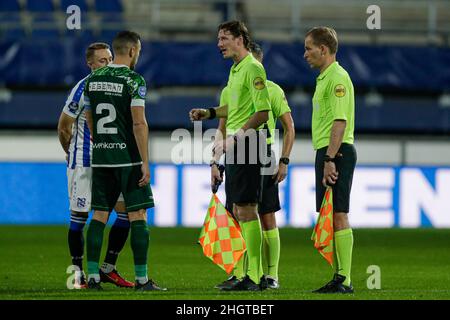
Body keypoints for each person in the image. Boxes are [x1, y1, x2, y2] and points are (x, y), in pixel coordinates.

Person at [189, 21, 271, 291]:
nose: (219, 43)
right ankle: (245, 274)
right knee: (237, 209)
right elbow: (234, 108)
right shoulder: (236, 70)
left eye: (224, 38)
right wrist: (210, 113)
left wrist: (236, 136)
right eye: (218, 38)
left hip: (248, 143)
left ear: (240, 39)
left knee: (247, 209)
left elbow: (262, 112)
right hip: (237, 145)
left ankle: (256, 276)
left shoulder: (253, 68)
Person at [83, 31, 166, 291]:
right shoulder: (134, 81)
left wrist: (100, 141)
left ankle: (93, 277)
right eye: (138, 51)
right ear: (132, 51)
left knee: (98, 215)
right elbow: (139, 123)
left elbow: (89, 117)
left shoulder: (92, 80)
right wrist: (144, 161)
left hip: (102, 157)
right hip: (127, 158)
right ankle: (141, 280)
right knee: (137, 214)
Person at [214, 42, 295, 290]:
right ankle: (241, 274)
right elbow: (222, 128)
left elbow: (288, 126)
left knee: (266, 215)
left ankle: (270, 275)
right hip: (237, 151)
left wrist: (283, 160)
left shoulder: (270, 89)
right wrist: (215, 161)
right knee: (236, 214)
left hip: (262, 153)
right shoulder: (231, 90)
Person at [57, 42, 134, 289]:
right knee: (79, 218)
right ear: (89, 64)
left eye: (110, 59)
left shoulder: (117, 87)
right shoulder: (81, 89)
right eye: (101, 61)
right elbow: (63, 127)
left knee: (128, 213)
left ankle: (108, 268)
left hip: (111, 161)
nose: (107, 64)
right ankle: (78, 273)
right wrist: (71, 153)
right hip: (85, 163)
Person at [303, 26, 356, 294]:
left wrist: (330, 158)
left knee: (338, 213)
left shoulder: (337, 77)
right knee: (331, 215)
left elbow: (339, 122)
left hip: (337, 152)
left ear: (323, 49)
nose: (305, 54)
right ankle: (340, 276)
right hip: (329, 151)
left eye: (308, 48)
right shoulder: (325, 77)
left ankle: (344, 279)